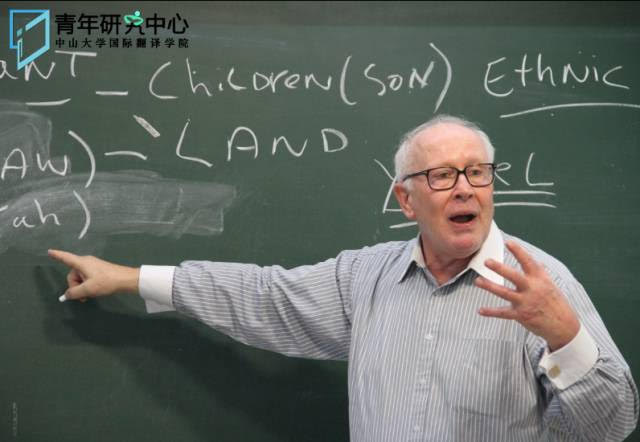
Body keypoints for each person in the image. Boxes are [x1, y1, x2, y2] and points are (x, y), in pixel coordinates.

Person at [49, 115, 638, 441]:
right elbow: (262, 297)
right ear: (405, 200)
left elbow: (613, 427)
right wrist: (129, 276)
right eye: (442, 176)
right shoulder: (366, 276)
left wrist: (565, 336)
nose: (464, 188)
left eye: (477, 173)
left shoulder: (541, 284)